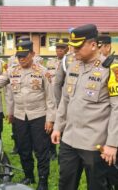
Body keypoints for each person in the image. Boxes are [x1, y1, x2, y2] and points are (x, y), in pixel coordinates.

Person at [0, 40, 56, 190]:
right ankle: (29, 175)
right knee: (23, 148)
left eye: (24, 56)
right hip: (20, 116)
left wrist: (50, 120)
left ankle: (43, 181)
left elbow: (51, 98)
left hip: (39, 116)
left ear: (33, 54)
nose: (21, 59)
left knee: (41, 150)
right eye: (19, 56)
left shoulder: (42, 72)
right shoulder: (12, 70)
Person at [51, 24, 118, 190]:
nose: (74, 51)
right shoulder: (73, 66)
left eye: (79, 47)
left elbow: (117, 109)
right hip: (69, 140)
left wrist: (112, 144)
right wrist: (58, 127)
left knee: (97, 186)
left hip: (94, 144)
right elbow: (65, 99)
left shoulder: (111, 69)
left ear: (93, 45)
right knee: (65, 183)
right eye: (73, 47)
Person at [46, 38, 69, 160]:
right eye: (57, 49)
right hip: (52, 97)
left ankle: (62, 150)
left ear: (67, 49)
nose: (59, 51)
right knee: (52, 123)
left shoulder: (69, 62)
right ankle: (52, 150)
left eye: (62, 49)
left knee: (63, 124)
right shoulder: (50, 62)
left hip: (63, 98)